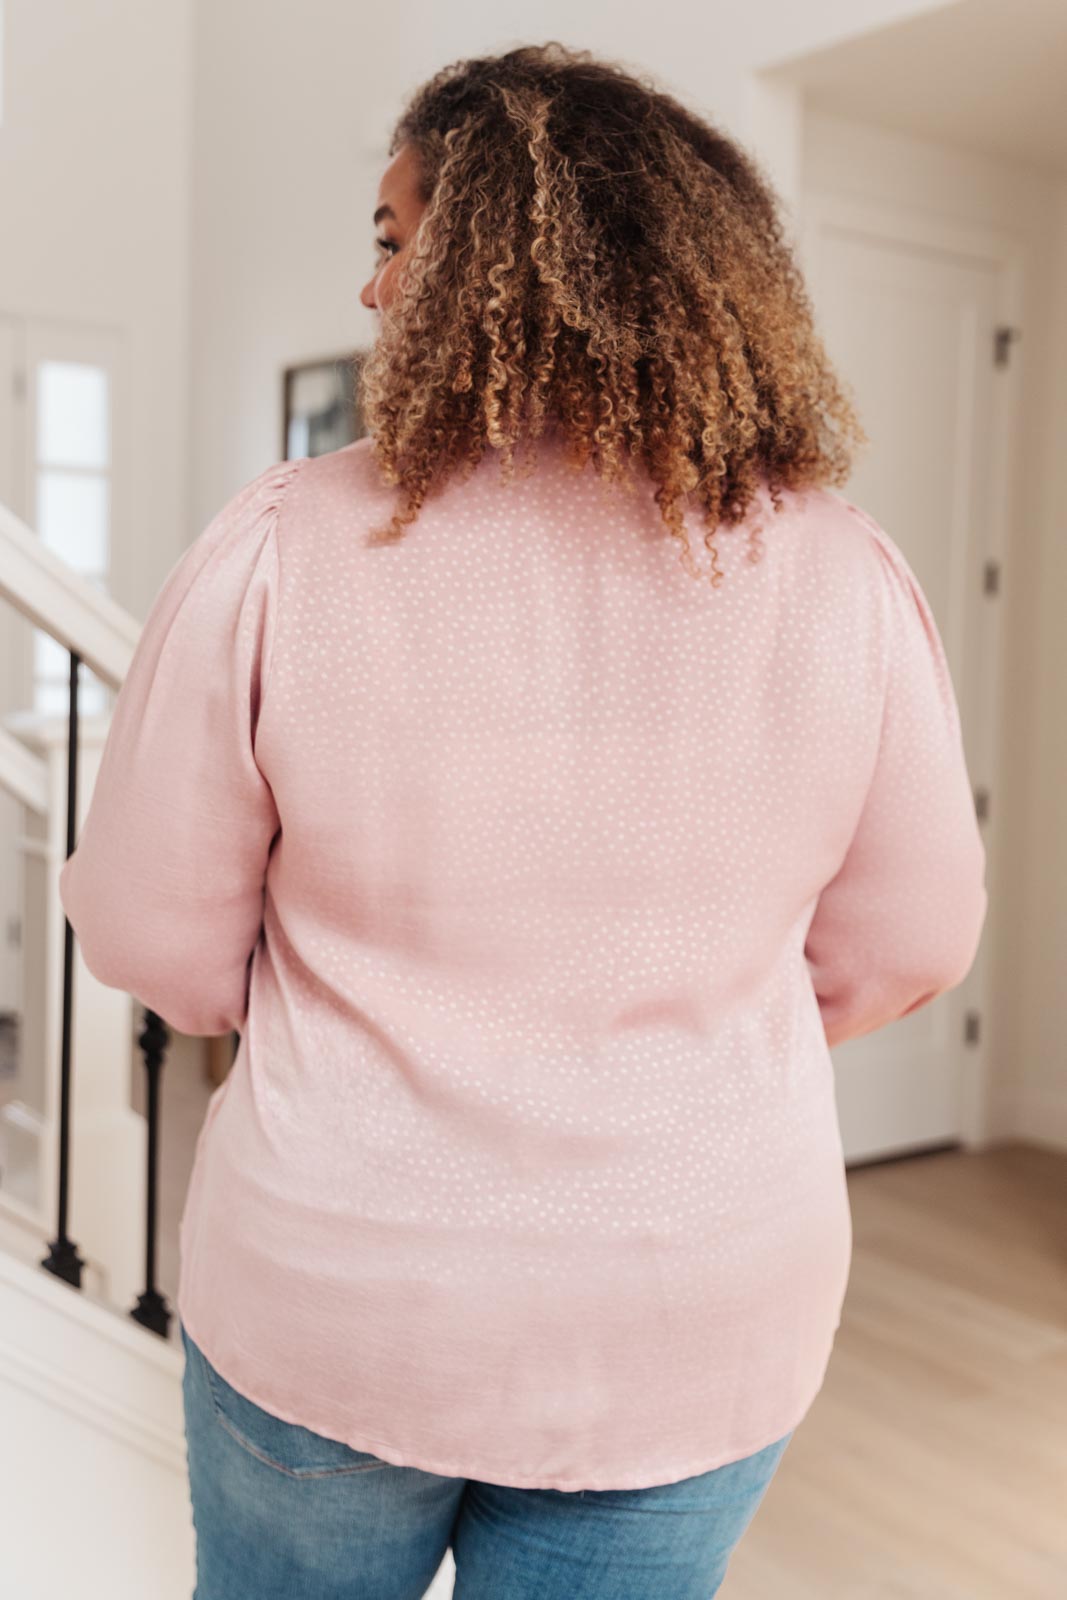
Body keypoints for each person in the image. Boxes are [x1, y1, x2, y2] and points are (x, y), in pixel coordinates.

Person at [58, 40, 988, 1600]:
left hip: (337, 1289)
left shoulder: (290, 542)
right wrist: (670, 1043)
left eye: (393, 238)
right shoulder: (846, 574)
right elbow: (910, 945)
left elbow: (156, 938)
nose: (370, 290)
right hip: (695, 1306)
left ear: (497, 260)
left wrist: (315, 1015)